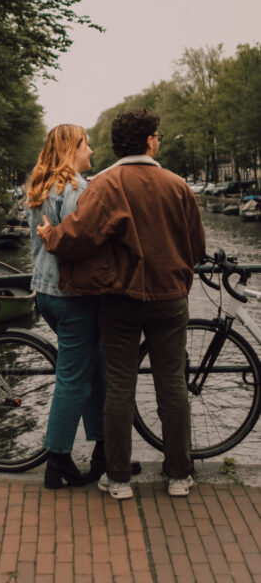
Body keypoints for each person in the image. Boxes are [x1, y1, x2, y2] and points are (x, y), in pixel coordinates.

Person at [37, 109, 206, 501]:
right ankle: (179, 475)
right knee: (172, 385)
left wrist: (51, 236)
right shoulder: (178, 185)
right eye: (158, 136)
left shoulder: (104, 185)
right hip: (170, 300)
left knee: (118, 387)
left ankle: (117, 479)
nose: (158, 140)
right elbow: (196, 246)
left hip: (120, 300)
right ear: (149, 141)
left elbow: (78, 237)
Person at [26, 124, 105, 490]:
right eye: (86, 144)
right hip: (73, 295)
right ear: (73, 149)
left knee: (93, 368)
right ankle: (57, 460)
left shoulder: (40, 188)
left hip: (45, 292)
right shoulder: (76, 188)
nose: (91, 150)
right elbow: (80, 239)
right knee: (74, 378)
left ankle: (106, 450)